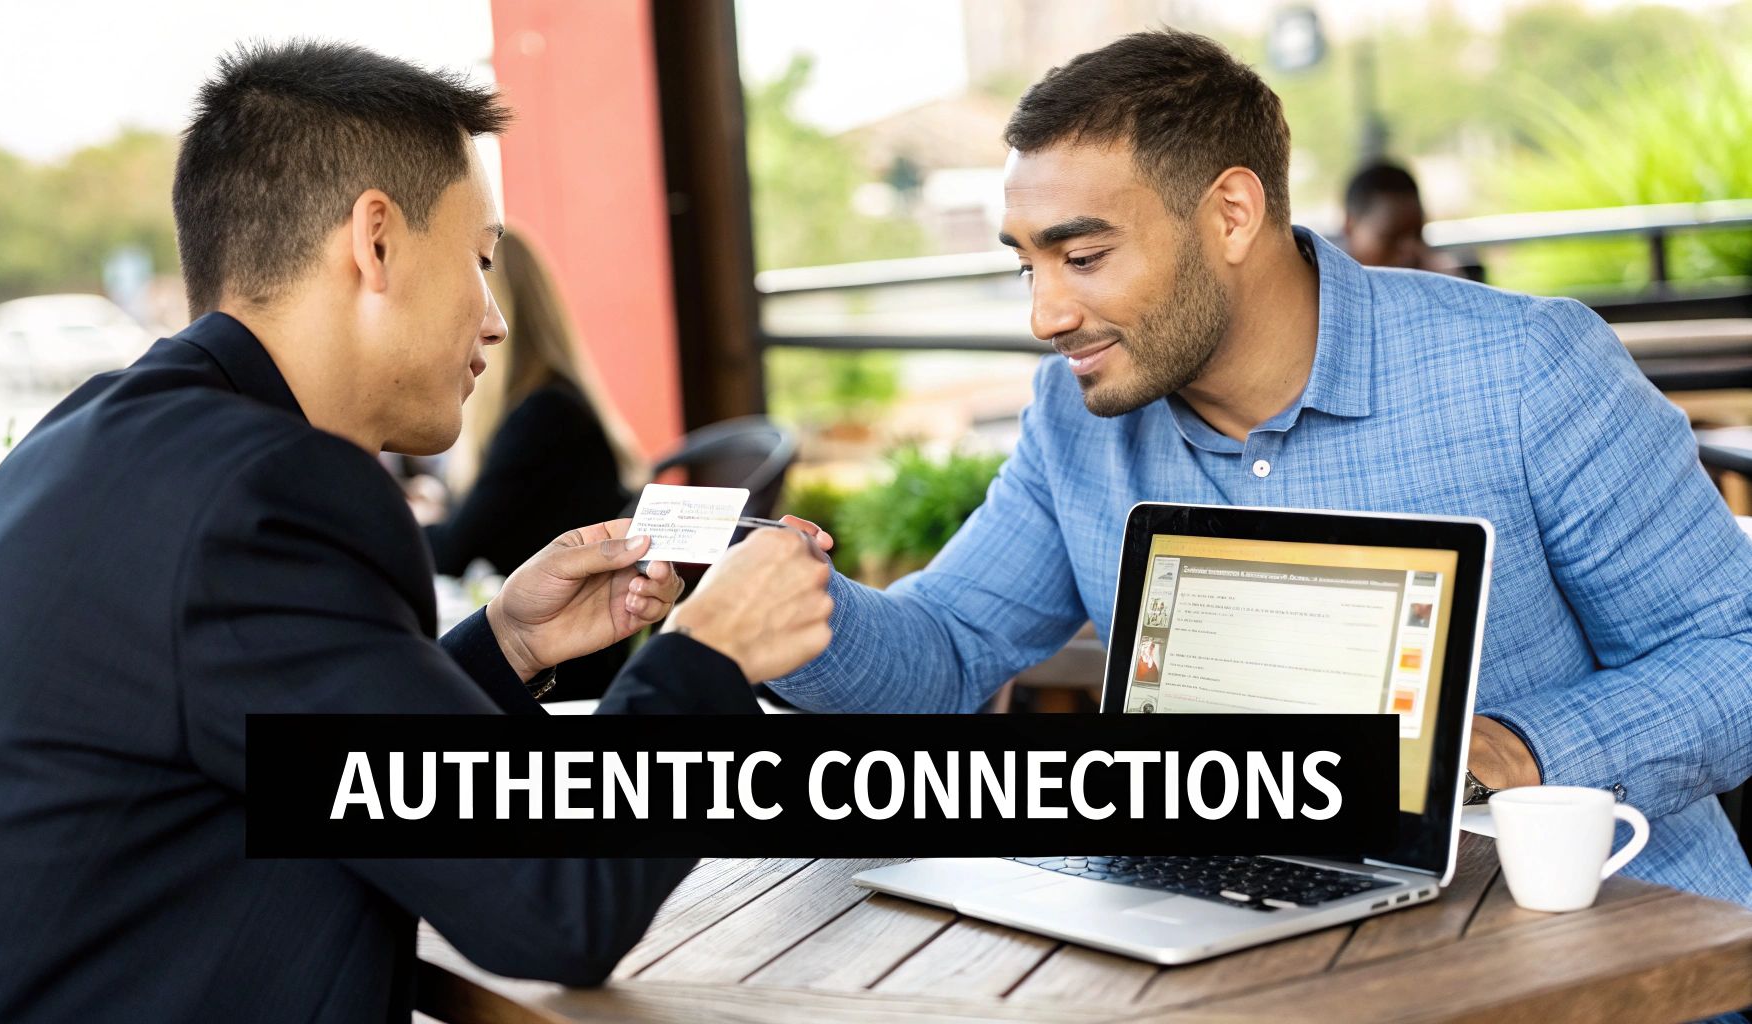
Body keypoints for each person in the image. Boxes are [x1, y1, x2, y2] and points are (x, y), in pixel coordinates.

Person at [0, 41, 835, 1023]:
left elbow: (272, 744)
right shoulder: (266, 495)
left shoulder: (98, 439)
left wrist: (504, 647)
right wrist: (708, 652)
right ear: (375, 241)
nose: (493, 320)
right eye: (480, 258)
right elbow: (553, 899)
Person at [770, 31, 1752, 915]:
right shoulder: (1073, 419)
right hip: (1238, 941)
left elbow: (1733, 650)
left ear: (1231, 214)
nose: (1044, 313)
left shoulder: (1523, 373)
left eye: (1082, 254)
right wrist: (790, 611)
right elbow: (945, 650)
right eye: (1028, 263)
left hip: (1612, 956)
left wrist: (1510, 751)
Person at [422, 228, 649, 698]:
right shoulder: (550, 403)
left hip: (568, 668)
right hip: (545, 649)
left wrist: (392, 521)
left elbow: (457, 547)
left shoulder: (544, 418)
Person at [1340, 160, 1467, 276]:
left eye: (1418, 234)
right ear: (1350, 226)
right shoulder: (1325, 291)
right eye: (1391, 237)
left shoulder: (1435, 279)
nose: (1411, 253)